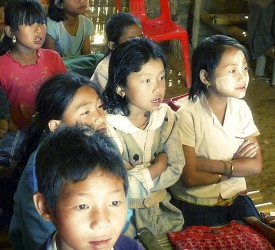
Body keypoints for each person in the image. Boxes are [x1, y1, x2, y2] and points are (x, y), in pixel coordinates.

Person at [169, 35, 263, 227]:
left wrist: (204, 164)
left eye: (244, 68)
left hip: (236, 198)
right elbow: (190, 178)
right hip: (196, 204)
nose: (242, 77)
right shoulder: (188, 116)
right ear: (205, 77)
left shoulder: (241, 109)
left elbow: (255, 165)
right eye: (232, 70)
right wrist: (233, 167)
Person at [9, 72, 106, 250]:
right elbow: (39, 239)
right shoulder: (39, 174)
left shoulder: (94, 149)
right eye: (85, 112)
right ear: (55, 126)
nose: (100, 117)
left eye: (100, 106)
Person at [102, 37, 184, 237]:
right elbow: (119, 186)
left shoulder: (165, 118)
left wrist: (136, 175)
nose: (158, 88)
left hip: (162, 213)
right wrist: (157, 167)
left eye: (161, 77)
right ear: (121, 87)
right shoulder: (106, 127)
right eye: (146, 80)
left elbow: (176, 166)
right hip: (122, 220)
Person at [33, 125, 144, 250]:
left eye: (114, 202)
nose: (102, 223)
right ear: (45, 207)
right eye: (82, 206)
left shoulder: (134, 247)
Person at [0, 0, 66, 132]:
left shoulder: (53, 58)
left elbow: (64, 96)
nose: (38, 30)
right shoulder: (2, 66)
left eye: (41, 23)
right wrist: (19, 136)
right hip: (16, 136)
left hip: (51, 131)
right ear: (10, 31)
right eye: (29, 24)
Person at [91, 12, 143, 90]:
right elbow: (110, 101)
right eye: (131, 40)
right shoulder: (104, 71)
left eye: (141, 38)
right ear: (112, 45)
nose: (138, 44)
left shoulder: (141, 60)